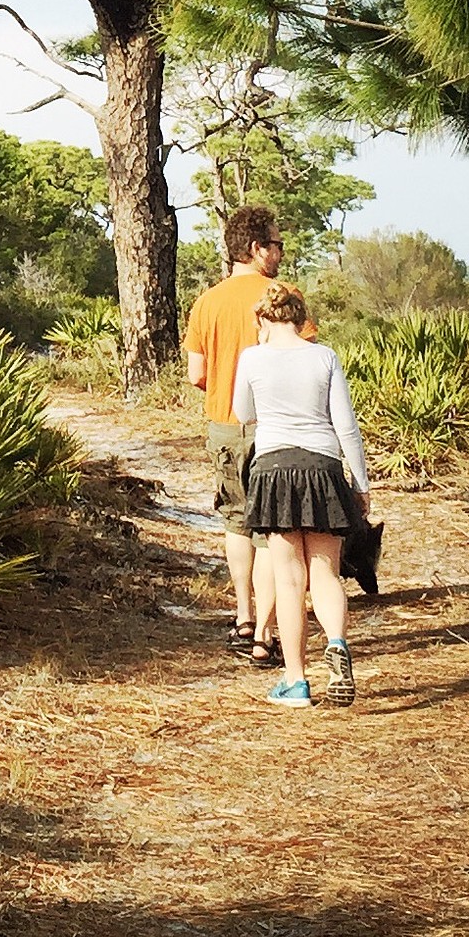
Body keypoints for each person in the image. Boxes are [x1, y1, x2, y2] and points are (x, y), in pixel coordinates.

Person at [232, 280, 372, 708]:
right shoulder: (324, 356)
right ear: (299, 317)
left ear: (264, 319)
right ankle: (338, 644)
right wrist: (361, 484)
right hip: (323, 467)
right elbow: (345, 426)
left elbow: (243, 413)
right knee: (325, 573)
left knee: (290, 580)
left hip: (275, 469)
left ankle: (296, 681)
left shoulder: (252, 358)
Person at [182, 205, 312, 660]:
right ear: (256, 249)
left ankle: (243, 619)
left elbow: (197, 373)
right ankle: (268, 634)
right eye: (276, 244)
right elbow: (306, 360)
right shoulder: (283, 298)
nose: (280, 251)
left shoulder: (207, 301)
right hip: (276, 427)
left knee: (236, 521)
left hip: (223, 424)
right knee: (273, 531)